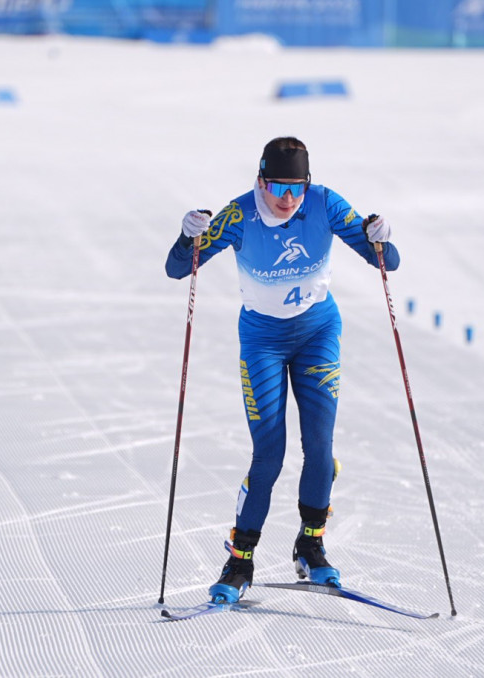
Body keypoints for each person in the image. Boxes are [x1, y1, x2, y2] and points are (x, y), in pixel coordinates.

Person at [164, 136, 399, 604]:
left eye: (297, 188)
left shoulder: (325, 204)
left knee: (319, 445)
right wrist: (187, 236)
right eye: (278, 187)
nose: (288, 199)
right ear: (260, 180)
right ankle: (239, 560)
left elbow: (386, 262)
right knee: (269, 451)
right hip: (263, 342)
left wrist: (381, 237)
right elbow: (177, 269)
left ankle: (311, 544)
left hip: (317, 334)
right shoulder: (237, 216)